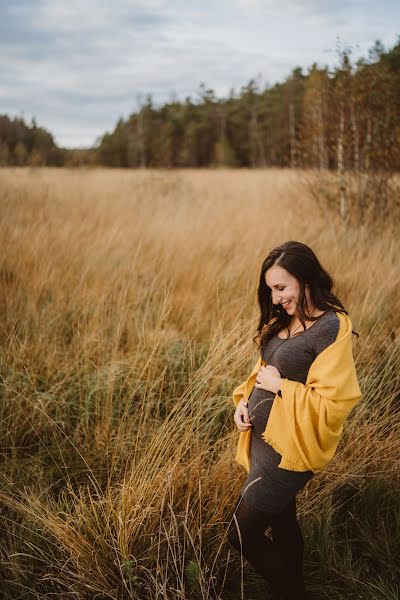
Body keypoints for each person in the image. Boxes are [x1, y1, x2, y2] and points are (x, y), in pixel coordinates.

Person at [227, 241, 362, 600]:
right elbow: (262, 370)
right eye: (270, 289)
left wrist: (282, 387)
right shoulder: (285, 319)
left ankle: (293, 592)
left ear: (304, 280)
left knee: (241, 535)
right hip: (262, 441)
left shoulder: (331, 327)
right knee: (283, 521)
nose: (274, 298)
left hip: (287, 452)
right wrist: (244, 402)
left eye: (281, 288)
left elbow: (336, 402)